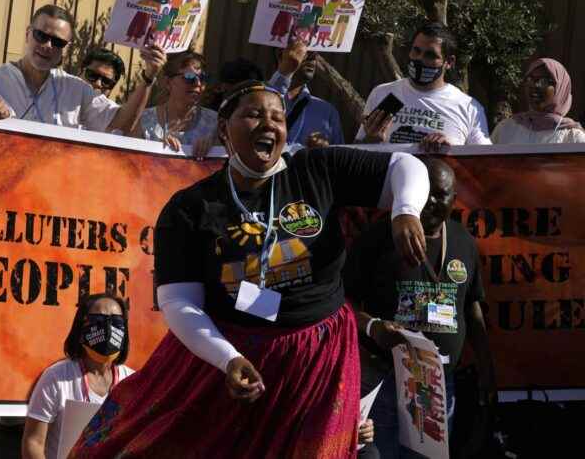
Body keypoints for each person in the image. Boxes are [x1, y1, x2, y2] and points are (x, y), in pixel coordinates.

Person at [68, 80, 430, 458]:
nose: (268, 124)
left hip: (317, 356)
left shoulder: (315, 169)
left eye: (277, 116)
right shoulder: (191, 206)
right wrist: (228, 358)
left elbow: (407, 166)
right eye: (254, 114)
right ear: (224, 128)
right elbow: (178, 302)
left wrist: (405, 211)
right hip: (227, 351)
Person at [344, 159, 495, 458]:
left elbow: (473, 309)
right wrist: (373, 326)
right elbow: (343, 303)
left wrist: (487, 368)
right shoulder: (379, 237)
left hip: (435, 386)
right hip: (382, 378)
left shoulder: (463, 240)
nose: (431, 202)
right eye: (425, 191)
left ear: (455, 199)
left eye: (441, 194)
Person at [0, 4, 165, 133]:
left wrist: (149, 76)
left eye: (57, 41)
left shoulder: (75, 89)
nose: (48, 45)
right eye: (41, 36)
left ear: (66, 47)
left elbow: (121, 124)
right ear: (28, 34)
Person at [22, 293, 133, 459]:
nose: (108, 329)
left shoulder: (132, 381)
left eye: (116, 322)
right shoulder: (56, 378)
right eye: (98, 321)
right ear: (81, 328)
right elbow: (33, 442)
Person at [357, 22, 490, 149]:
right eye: (416, 51)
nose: (420, 59)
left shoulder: (468, 108)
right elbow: (355, 153)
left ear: (449, 62)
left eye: (430, 55)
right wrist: (371, 139)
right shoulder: (382, 93)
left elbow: (483, 163)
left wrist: (450, 153)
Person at [137, 51, 218, 156]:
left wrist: (214, 148)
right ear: (168, 82)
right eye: (189, 76)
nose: (198, 84)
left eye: (203, 78)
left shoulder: (215, 123)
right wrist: (155, 148)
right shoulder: (144, 120)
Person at [492, 58, 585, 143]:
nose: (534, 86)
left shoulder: (573, 137)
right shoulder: (506, 129)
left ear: (560, 88)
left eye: (543, 81)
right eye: (530, 79)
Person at [270, 39, 344, 147]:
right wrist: (284, 72)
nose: (312, 58)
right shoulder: (257, 98)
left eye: (315, 53)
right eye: (304, 52)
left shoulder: (327, 112)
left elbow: (338, 159)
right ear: (280, 54)